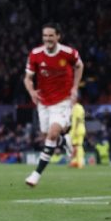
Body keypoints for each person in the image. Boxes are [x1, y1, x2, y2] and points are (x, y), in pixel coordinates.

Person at [23, 22, 84, 187]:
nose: (48, 39)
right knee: (46, 134)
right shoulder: (35, 54)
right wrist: (31, 92)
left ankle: (36, 174)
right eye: (45, 36)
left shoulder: (69, 53)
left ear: (58, 36)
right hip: (43, 102)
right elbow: (27, 78)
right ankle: (65, 141)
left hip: (63, 101)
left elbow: (79, 66)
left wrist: (74, 88)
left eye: (51, 35)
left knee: (52, 134)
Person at [68, 101, 86, 168]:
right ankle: (75, 162)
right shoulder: (77, 107)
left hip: (77, 129)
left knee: (78, 146)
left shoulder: (77, 107)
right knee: (75, 146)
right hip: (78, 128)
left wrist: (75, 129)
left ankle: (80, 162)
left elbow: (78, 119)